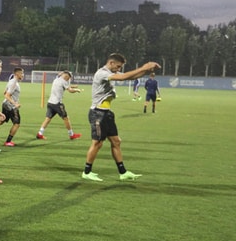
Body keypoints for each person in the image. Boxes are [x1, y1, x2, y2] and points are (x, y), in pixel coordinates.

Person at [82, 53, 160, 182]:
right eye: (118, 66)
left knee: (116, 142)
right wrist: (143, 67)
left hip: (106, 113)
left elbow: (131, 77)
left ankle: (123, 172)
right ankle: (87, 171)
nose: (119, 69)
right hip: (97, 113)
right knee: (97, 143)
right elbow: (123, 77)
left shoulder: (109, 73)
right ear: (111, 63)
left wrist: (147, 71)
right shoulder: (102, 73)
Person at [36, 70, 82, 140]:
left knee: (48, 119)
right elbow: (69, 90)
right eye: (68, 78)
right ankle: (71, 135)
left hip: (50, 103)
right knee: (66, 118)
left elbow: (65, 85)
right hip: (57, 104)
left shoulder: (56, 79)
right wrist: (76, 90)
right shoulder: (63, 81)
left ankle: (40, 133)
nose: (68, 80)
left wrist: (73, 86)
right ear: (66, 76)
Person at [1, 67, 24, 146]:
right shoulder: (14, 83)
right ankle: (8, 141)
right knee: (17, 123)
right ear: (17, 74)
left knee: (2, 120)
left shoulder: (11, 81)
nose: (23, 75)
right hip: (11, 106)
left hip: (6, 104)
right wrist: (15, 103)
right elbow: (7, 95)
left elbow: (4, 93)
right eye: (21, 73)